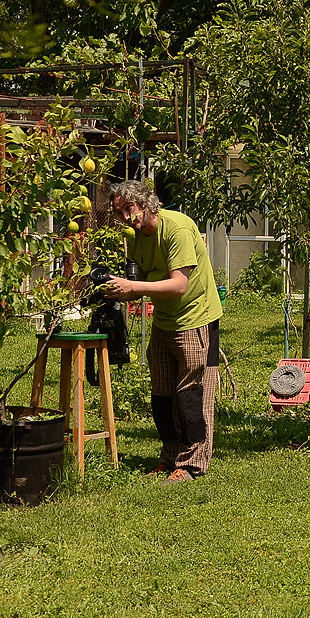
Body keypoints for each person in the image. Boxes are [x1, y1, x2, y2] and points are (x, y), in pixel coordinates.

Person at [102, 180, 222, 484]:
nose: (126, 218)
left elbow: (179, 285)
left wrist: (135, 287)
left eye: (128, 209)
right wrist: (117, 288)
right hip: (164, 321)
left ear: (144, 202)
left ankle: (193, 463)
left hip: (195, 319)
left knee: (191, 394)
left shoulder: (177, 229)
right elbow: (140, 278)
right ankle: (170, 457)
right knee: (162, 395)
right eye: (119, 214)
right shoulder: (139, 237)